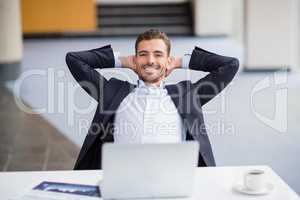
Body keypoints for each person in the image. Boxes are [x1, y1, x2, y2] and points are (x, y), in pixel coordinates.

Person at [65, 29, 239, 170]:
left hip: (172, 180)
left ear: (168, 60)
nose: (150, 60)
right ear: (135, 59)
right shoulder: (113, 92)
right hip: (124, 181)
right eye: (143, 54)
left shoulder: (187, 95)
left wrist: (179, 62)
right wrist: (121, 61)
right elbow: (75, 60)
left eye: (158, 54)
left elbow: (230, 65)